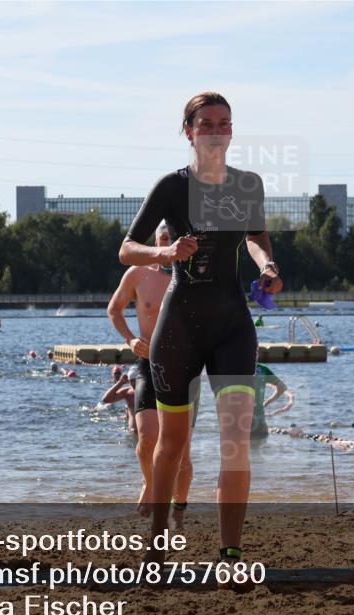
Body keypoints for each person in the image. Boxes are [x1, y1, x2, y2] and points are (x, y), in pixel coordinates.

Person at [118, 91, 282, 572]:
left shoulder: (247, 185)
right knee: (171, 444)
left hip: (233, 325)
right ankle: (157, 543)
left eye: (224, 123)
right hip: (180, 326)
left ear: (232, 131)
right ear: (189, 131)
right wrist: (165, 255)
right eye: (206, 123)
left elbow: (255, 235)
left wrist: (267, 263)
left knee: (235, 443)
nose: (216, 130)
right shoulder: (172, 186)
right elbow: (127, 249)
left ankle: (231, 553)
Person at [107, 222, 194, 524]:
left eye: (173, 239)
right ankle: (152, 483)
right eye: (163, 239)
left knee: (182, 452)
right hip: (147, 363)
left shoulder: (194, 279)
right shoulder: (138, 274)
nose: (168, 245)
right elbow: (114, 309)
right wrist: (130, 339)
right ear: (156, 242)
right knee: (146, 439)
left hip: (184, 366)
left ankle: (179, 507)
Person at [250, 363, 287, 439]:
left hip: (239, 420)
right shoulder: (263, 369)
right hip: (259, 420)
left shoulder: (236, 367)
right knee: (261, 447)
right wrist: (266, 403)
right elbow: (282, 387)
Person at [100, 365, 137, 432]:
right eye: (131, 381)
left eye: (135, 380)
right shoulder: (128, 392)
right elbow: (106, 399)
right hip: (132, 432)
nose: (133, 383)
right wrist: (120, 383)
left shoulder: (150, 391)